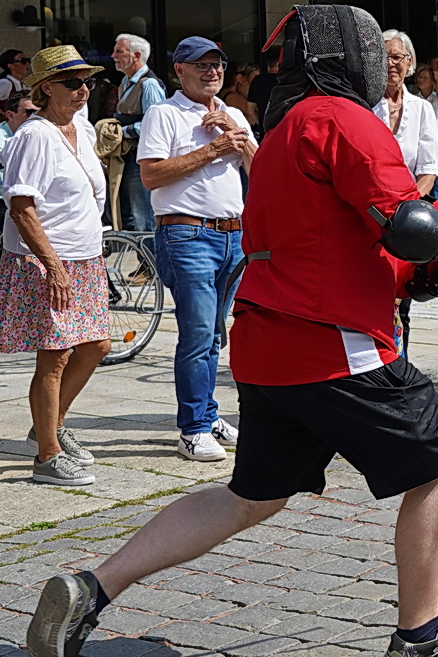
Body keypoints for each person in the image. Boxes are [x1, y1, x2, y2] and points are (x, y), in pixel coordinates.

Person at [24, 4, 438, 657]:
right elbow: (410, 222)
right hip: (329, 343)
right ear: (348, 55)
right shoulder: (340, 119)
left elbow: (344, 239)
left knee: (252, 495)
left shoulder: (281, 131)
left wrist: (417, 276)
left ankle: (92, 588)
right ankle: (419, 635)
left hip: (269, 342)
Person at [137, 37, 255, 462]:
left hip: (233, 236)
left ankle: (207, 413)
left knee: (215, 335)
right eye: (201, 65)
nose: (212, 72)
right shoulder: (163, 113)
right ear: (179, 71)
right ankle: (193, 427)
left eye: (218, 64)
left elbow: (259, 173)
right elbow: (151, 176)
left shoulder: (233, 113)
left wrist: (240, 142)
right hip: (187, 235)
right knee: (198, 333)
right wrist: (213, 150)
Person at [1, 46, 111, 488]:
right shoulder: (35, 135)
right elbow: (21, 207)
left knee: (97, 345)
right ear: (46, 87)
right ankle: (47, 454)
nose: (84, 89)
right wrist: (53, 266)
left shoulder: (80, 127)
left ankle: (49, 425)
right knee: (56, 355)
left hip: (84, 257)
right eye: (73, 82)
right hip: (49, 259)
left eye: (88, 81)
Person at [374, 32, 438, 197]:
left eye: (396, 57)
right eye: (383, 57)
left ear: (409, 60)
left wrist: (406, 206)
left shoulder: (422, 109)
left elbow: (428, 171)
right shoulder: (365, 106)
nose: (389, 63)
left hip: (408, 206)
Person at [112, 33, 165, 232]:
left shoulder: (149, 84)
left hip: (141, 158)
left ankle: (150, 260)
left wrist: (122, 132)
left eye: (119, 51)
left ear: (135, 55)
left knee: (144, 213)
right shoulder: (126, 83)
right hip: (128, 156)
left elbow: (156, 125)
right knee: (132, 213)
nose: (113, 55)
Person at [413, 62, 438, 201]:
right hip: (422, 138)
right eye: (419, 78)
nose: (420, 81)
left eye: (424, 78)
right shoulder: (415, 99)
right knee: (423, 174)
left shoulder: (436, 97)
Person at [222, 63, 261, 132]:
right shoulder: (232, 97)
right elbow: (251, 112)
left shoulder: (227, 94)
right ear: (237, 76)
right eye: (242, 73)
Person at [245, 48, 280, 122]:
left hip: (265, 130)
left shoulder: (257, 80)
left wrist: (261, 124)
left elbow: (250, 110)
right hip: (284, 128)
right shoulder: (284, 80)